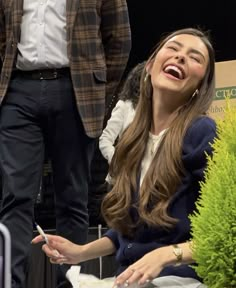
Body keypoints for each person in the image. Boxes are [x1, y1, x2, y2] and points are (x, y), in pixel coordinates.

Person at [32, 27, 217, 288]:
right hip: (129, 280)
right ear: (150, 67)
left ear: (201, 85)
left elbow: (224, 233)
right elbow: (128, 233)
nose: (181, 57)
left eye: (195, 57)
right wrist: (79, 252)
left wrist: (167, 255)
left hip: (179, 279)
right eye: (173, 49)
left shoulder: (202, 133)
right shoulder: (132, 141)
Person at [0, 1, 131, 288]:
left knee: (72, 198)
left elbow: (119, 38)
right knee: (15, 197)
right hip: (18, 89)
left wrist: (96, 91)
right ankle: (9, 282)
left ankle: (69, 284)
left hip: (75, 90)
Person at [99, 61, 145, 166]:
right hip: (123, 175)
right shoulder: (125, 105)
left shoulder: (161, 109)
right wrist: (117, 161)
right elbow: (105, 139)